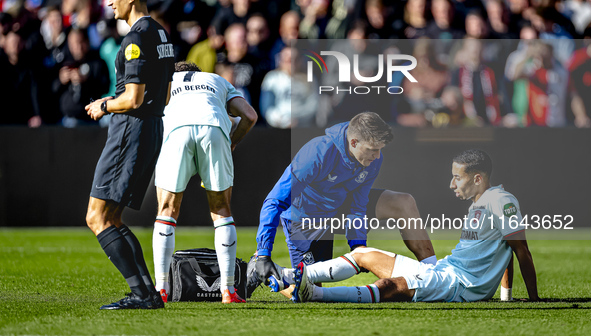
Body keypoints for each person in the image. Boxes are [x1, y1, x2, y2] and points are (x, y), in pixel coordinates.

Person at [289, 150, 539, 304]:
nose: (452, 184)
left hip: (458, 287)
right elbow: (506, 250)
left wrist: (534, 299)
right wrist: (506, 298)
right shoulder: (480, 204)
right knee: (362, 254)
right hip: (444, 271)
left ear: (477, 179)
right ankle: (285, 275)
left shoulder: (500, 200)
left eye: (457, 177)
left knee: (388, 288)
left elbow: (520, 250)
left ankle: (316, 295)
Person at [250, 112, 436, 294]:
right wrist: (264, 253)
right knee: (308, 292)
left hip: (339, 208)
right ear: (353, 142)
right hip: (306, 218)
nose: (378, 156)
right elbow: (275, 201)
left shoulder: (373, 159)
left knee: (403, 202)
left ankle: (435, 275)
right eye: (372, 149)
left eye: (380, 149)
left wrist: (357, 246)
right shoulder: (317, 152)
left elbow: (358, 205)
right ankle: (261, 271)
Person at [84, 0, 175, 310]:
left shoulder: (135, 39)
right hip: (151, 128)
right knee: (112, 218)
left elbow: (133, 99)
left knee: (97, 217)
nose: (109, 2)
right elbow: (164, 97)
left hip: (130, 130)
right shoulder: (162, 35)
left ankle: (142, 293)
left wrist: (104, 104)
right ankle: (147, 294)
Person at [151, 61, 257, 304]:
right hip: (214, 128)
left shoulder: (168, 81)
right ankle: (228, 290)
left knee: (167, 210)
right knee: (221, 210)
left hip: (176, 131)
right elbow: (250, 116)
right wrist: (232, 143)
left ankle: (161, 289)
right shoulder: (217, 80)